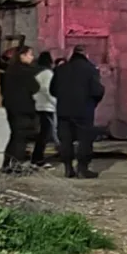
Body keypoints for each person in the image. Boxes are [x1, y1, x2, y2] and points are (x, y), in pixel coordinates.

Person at [50, 45, 105, 179]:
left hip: (63, 110)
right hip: (83, 110)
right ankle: (82, 168)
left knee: (66, 140)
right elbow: (97, 91)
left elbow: (53, 90)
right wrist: (93, 103)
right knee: (84, 140)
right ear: (85, 55)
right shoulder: (90, 69)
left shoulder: (60, 69)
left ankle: (68, 168)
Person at [0, 46, 40, 173]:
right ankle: (16, 165)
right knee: (21, 138)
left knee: (15, 136)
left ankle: (8, 163)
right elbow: (35, 87)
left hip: (11, 108)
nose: (32, 57)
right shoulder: (26, 71)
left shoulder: (10, 71)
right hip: (24, 108)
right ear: (22, 56)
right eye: (30, 54)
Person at [31, 51, 58, 168]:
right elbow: (48, 90)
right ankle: (38, 159)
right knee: (45, 134)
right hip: (46, 107)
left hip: (38, 105)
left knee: (42, 134)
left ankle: (37, 158)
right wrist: (56, 103)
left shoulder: (35, 72)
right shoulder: (47, 73)